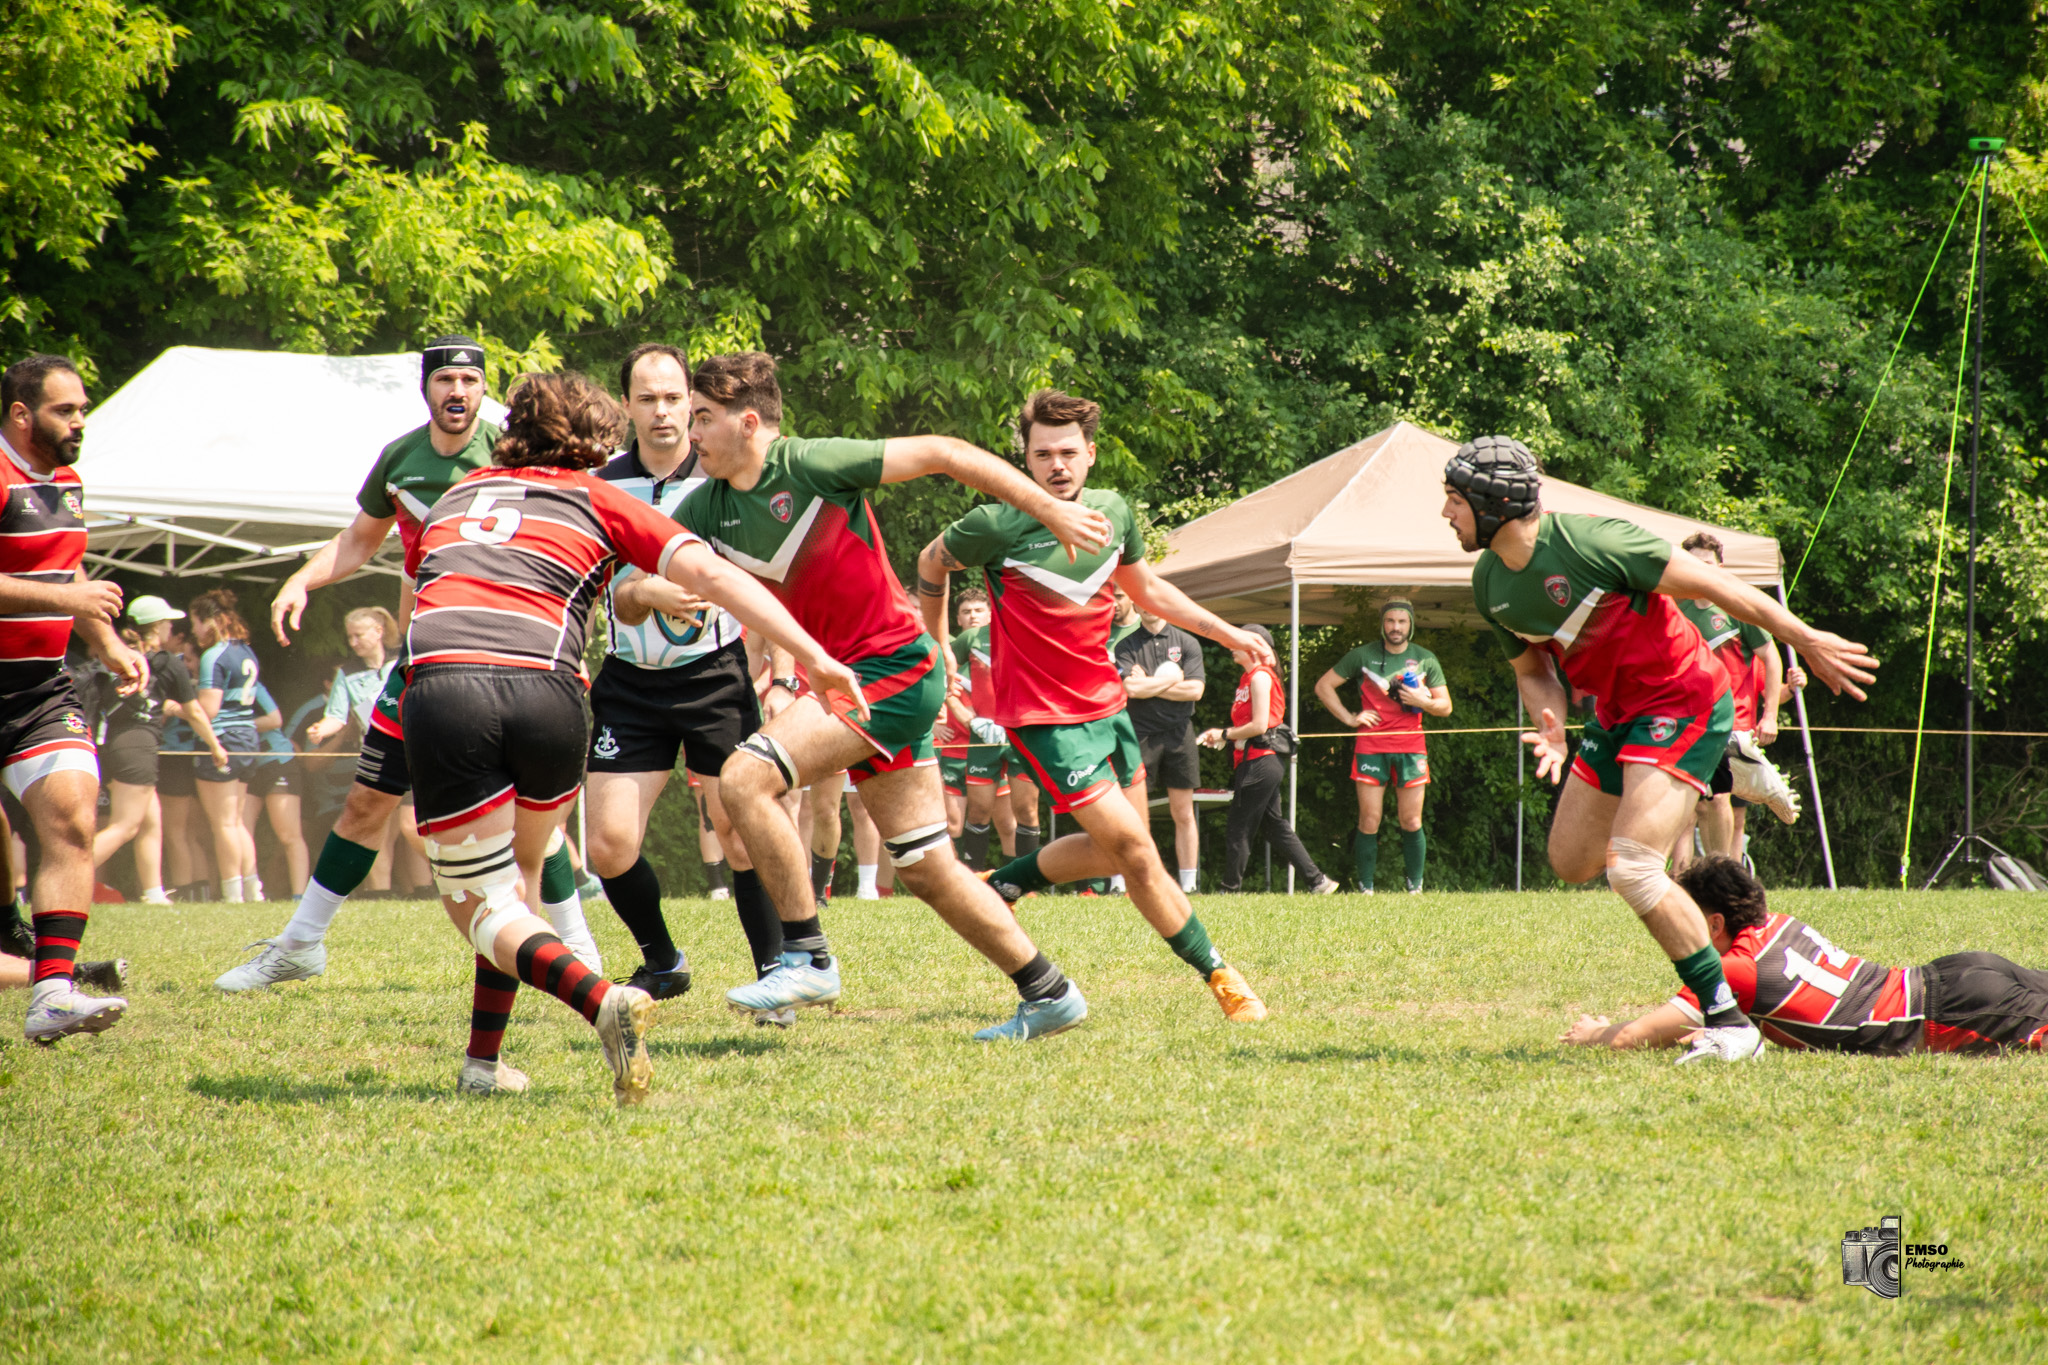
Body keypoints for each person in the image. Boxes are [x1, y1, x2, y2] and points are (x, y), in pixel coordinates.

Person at [401, 369, 861, 1101]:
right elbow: (714, 575)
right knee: (513, 888)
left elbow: (429, 592)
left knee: (483, 903)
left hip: (453, 689)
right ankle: (482, 1064)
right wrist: (814, 655)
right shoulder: (599, 494)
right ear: (594, 441)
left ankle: (601, 997)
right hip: (554, 695)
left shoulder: (455, 496)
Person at [682, 351, 1099, 1041]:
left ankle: (806, 954)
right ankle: (1048, 991)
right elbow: (646, 575)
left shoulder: (808, 465)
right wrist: (645, 593)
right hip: (857, 679)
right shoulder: (709, 505)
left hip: (894, 668)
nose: (689, 433)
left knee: (744, 778)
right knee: (927, 866)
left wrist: (1049, 508)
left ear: (747, 422)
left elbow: (944, 451)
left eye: (702, 417)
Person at [1443, 434, 1876, 1064]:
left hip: (1685, 702)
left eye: (1454, 500)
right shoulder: (1490, 582)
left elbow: (1722, 589)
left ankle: (1729, 1023)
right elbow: (1533, 669)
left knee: (1634, 866)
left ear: (1494, 505)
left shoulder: (1596, 542)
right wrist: (1551, 719)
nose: (1445, 514)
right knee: (1569, 862)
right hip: (1616, 713)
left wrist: (1804, 639)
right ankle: (1728, 793)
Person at [220, 337, 599, 992]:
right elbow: (359, 540)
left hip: (513, 655)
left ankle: (580, 948)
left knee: (539, 816)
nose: (458, 391)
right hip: (425, 658)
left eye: (470, 381)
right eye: (445, 379)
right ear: (425, 388)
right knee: (367, 800)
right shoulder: (400, 458)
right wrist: (302, 581)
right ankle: (300, 944)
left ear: (487, 391)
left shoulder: (509, 455)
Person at [926, 388, 1277, 1021]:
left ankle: (1004, 884)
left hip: (1109, 708)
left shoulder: (1113, 512)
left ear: (1090, 453)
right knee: (1139, 853)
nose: (1056, 464)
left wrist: (1228, 635)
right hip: (1043, 718)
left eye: (1067, 451)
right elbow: (931, 562)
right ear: (1024, 461)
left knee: (1124, 845)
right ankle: (1220, 976)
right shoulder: (996, 523)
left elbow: (1146, 588)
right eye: (1042, 454)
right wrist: (939, 647)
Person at [579, 342, 793, 1003]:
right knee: (609, 844)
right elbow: (591, 589)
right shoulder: (601, 484)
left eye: (675, 398)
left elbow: (773, 578)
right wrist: (643, 595)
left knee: (740, 828)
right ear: (627, 407)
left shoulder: (723, 472)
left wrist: (781, 675)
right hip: (631, 680)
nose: (664, 412)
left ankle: (775, 974)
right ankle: (663, 959)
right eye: (648, 399)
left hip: (716, 676)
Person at [0, 353, 148, 1042]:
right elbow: (63, 584)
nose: (79, 421)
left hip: (37, 689)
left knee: (72, 820)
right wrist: (68, 597)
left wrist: (107, 641)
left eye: (83, 408)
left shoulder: (68, 481)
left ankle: (52, 993)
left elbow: (66, 565)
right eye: (65, 410)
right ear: (21, 413)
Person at [1563, 855, 2048, 1055]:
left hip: (1950, 1012)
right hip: (1958, 971)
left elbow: (1634, 1037)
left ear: (1713, 924)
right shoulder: (1779, 924)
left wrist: (1592, 1033)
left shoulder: (1734, 972)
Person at [1671, 532, 1804, 866]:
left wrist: (1770, 714)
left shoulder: (1737, 606)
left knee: (1716, 801)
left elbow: (1771, 659)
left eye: (1707, 564)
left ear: (1720, 565)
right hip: (1685, 723)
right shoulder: (1673, 607)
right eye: (1693, 564)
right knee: (1686, 808)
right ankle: (1681, 881)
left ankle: (1724, 875)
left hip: (1730, 726)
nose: (1701, 571)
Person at [93, 599, 230, 903]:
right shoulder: (168, 662)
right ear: (158, 627)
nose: (172, 627)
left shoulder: (118, 656)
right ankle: (66, 876)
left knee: (151, 820)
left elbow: (154, 702)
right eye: (168, 622)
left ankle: (154, 893)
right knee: (125, 825)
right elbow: (196, 713)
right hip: (138, 747)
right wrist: (215, 746)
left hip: (111, 746)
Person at [1315, 598, 1452, 894]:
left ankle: (1415, 888)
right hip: (1371, 746)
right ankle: (1366, 888)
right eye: (1390, 621)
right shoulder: (1362, 656)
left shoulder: (1425, 658)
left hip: (1411, 746)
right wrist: (1350, 718)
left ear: (1411, 625)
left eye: (1402, 622)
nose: (1396, 627)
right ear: (1382, 624)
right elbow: (1323, 686)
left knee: (1412, 819)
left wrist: (1423, 702)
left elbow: (1446, 707)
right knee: (1369, 818)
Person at [1198, 624, 1340, 895]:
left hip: (1261, 761)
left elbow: (1260, 725)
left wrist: (1224, 734)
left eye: (1235, 640)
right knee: (1274, 826)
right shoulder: (1247, 678)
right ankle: (1318, 881)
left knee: (1238, 826)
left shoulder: (1260, 677)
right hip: (1254, 759)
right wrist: (1227, 738)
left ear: (1254, 646)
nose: (1230, 645)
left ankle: (1229, 889)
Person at [1114, 601, 1207, 894]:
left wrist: (1151, 684)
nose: (1148, 607)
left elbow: (1195, 690)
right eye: (1141, 602)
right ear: (1136, 607)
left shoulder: (1187, 642)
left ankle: (1189, 885)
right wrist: (1172, 679)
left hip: (1180, 734)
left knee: (1183, 812)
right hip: (1139, 733)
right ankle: (1120, 882)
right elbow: (1130, 690)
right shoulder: (1126, 646)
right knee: (1130, 814)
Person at [188, 589, 265, 902]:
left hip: (223, 738)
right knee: (236, 821)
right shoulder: (246, 651)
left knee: (223, 824)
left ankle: (233, 894)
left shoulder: (214, 655)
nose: (193, 631)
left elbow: (209, 709)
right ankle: (252, 889)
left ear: (209, 622)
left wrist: (178, 707)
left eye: (195, 622)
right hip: (248, 737)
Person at [157, 627, 213, 899]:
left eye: (188, 659)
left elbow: (161, 718)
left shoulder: (183, 687)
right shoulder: (208, 687)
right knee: (189, 833)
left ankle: (183, 893)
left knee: (175, 832)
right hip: (195, 758)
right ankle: (200, 894)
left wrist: (166, 707)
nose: (184, 664)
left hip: (175, 759)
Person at [244, 682, 310, 896]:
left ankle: (299, 897)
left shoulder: (253, 685)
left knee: (289, 835)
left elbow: (275, 720)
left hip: (277, 762)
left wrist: (240, 726)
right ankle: (251, 893)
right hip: (246, 763)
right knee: (241, 830)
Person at [306, 606, 399, 746]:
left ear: (378, 631)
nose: (353, 643)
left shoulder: (403, 660)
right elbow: (336, 717)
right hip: (377, 748)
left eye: (358, 636)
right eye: (350, 637)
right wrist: (320, 730)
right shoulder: (346, 673)